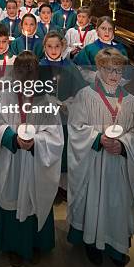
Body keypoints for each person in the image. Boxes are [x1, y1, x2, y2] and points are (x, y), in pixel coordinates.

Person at [67, 48, 134, 267]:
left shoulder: (130, 100)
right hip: (94, 163)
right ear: (99, 69)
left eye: (118, 70)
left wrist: (123, 144)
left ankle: (117, 246)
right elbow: (76, 128)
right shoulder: (86, 96)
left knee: (117, 204)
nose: (114, 75)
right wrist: (97, 139)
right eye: (108, 69)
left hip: (119, 165)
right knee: (93, 201)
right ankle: (92, 244)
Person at [0, 51, 64, 267]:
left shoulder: (46, 101)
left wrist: (37, 142)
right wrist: (13, 138)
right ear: (14, 73)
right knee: (13, 198)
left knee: (34, 199)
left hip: (35, 161)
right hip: (13, 160)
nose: (25, 78)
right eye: (20, 73)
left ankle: (35, 244)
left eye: (30, 74)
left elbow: (55, 136)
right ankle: (13, 246)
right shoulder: (5, 96)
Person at [39, 32, 85, 193]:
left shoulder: (70, 67)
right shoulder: (38, 66)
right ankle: (47, 185)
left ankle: (62, 187)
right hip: (45, 118)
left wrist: (68, 103)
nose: (53, 50)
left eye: (57, 46)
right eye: (49, 46)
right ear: (44, 47)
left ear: (63, 46)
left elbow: (81, 92)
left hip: (66, 117)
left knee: (64, 149)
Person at [74, 16, 128, 83]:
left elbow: (127, 73)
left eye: (110, 29)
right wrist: (97, 78)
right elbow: (81, 69)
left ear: (114, 31)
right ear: (97, 30)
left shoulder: (121, 49)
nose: (107, 32)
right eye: (103, 28)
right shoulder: (89, 49)